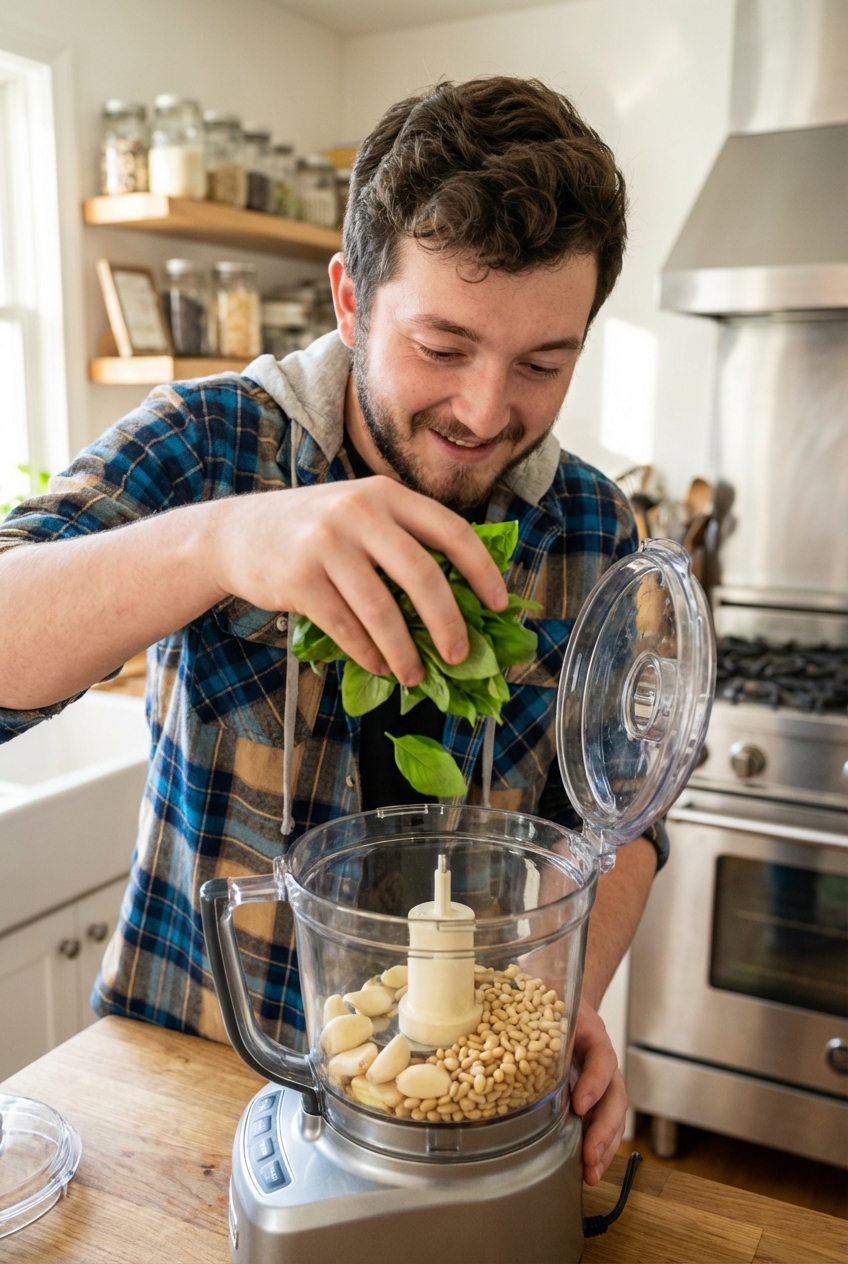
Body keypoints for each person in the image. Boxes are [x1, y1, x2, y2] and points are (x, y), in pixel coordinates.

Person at [0, 77, 663, 1185]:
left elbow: (622, 821)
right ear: (350, 301)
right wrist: (221, 544)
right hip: (187, 1075)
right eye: (442, 347)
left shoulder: (592, 528)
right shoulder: (210, 446)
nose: (484, 411)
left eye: (541, 364)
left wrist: (557, 1003)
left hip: (451, 1103)